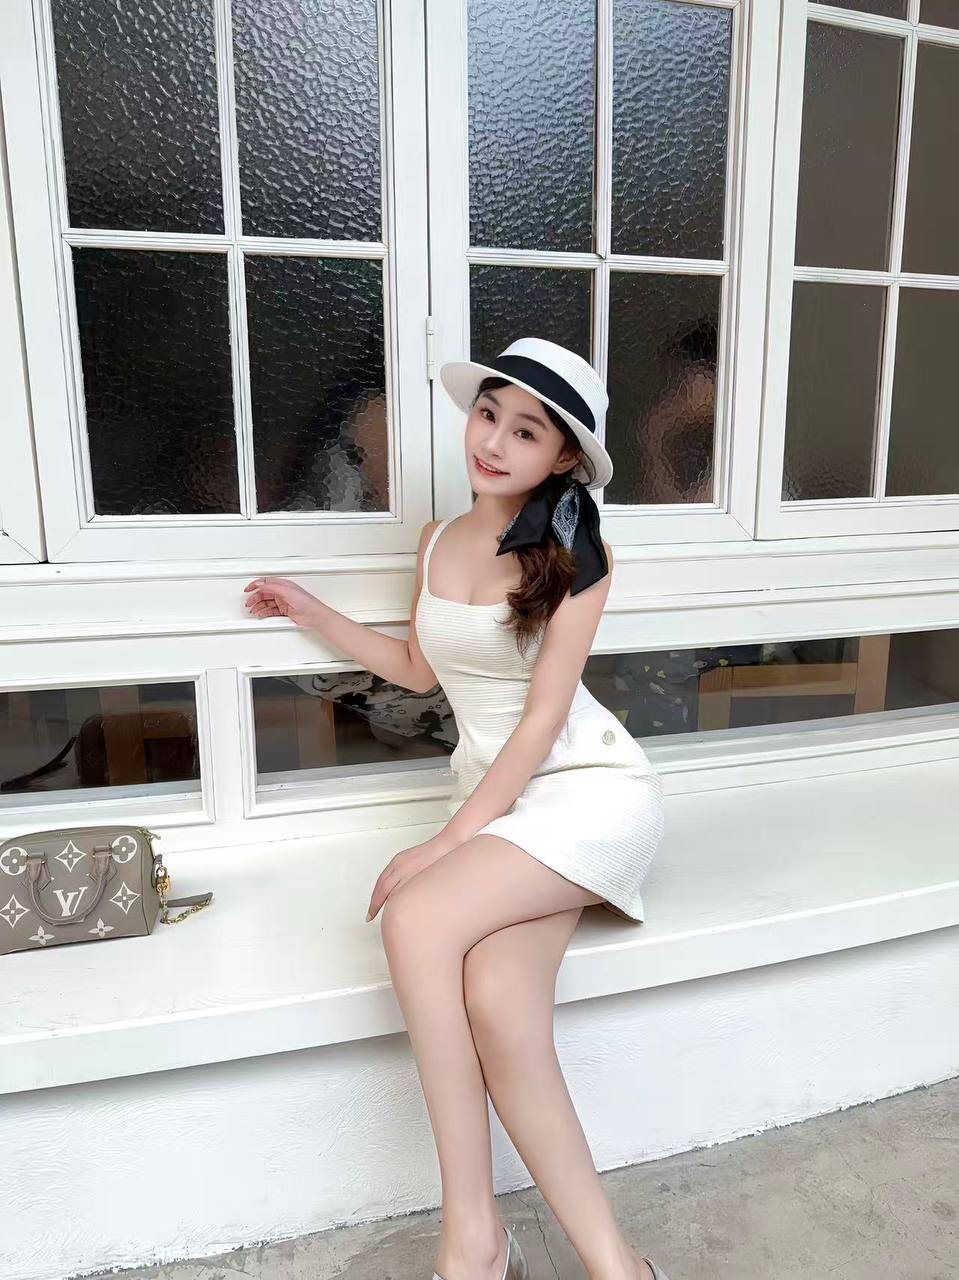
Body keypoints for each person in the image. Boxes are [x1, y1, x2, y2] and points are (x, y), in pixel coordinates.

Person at [243, 337, 670, 1280]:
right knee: (499, 1007)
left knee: (415, 916)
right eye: (488, 415)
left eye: (525, 432)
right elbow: (417, 668)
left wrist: (442, 846)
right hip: (504, 810)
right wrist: (312, 613)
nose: (493, 442)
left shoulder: (578, 558)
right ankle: (616, 1265)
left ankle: (469, 1239)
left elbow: (542, 722)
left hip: (587, 791)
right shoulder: (438, 539)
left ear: (561, 457)